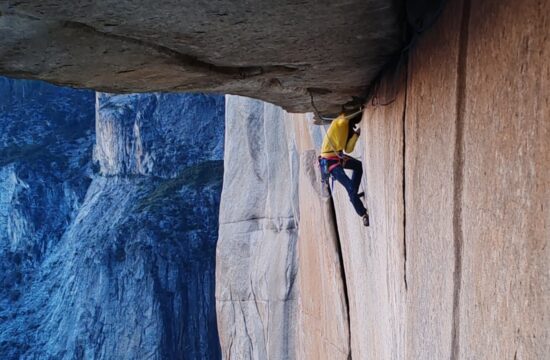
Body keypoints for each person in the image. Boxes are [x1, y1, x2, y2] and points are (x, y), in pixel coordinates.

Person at [319, 111, 369, 226]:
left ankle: (353, 196)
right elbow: (342, 120)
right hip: (330, 161)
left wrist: (355, 135)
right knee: (349, 187)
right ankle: (363, 214)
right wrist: (357, 110)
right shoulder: (340, 123)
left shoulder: (347, 130)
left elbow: (348, 149)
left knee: (358, 167)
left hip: (338, 157)